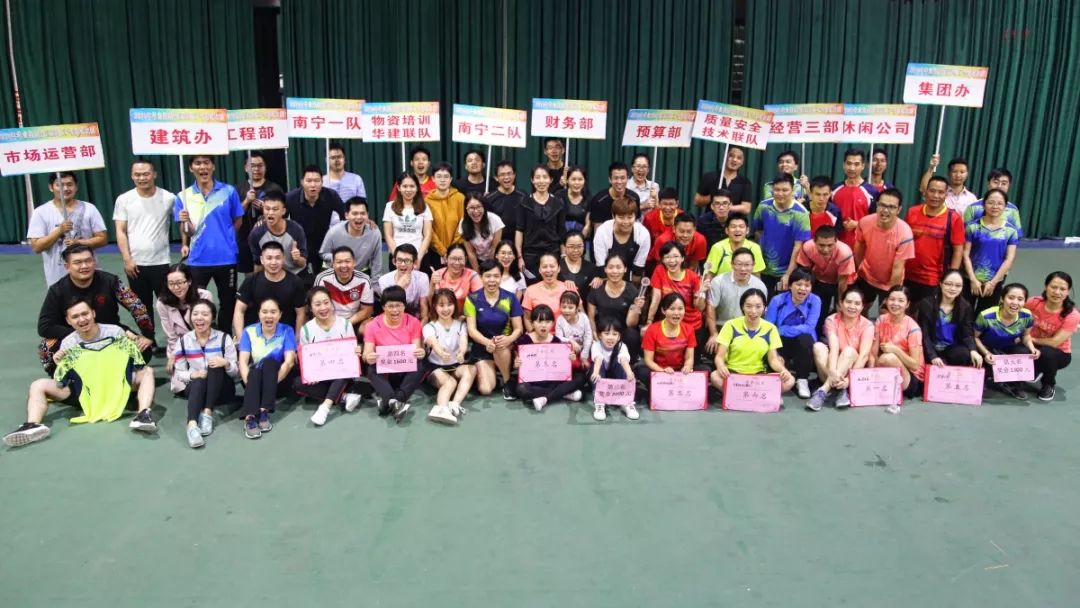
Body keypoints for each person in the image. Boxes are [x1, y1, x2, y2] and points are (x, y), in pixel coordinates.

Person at [4, 298, 158, 448]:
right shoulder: (68, 343)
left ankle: (143, 415)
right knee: (38, 385)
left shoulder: (115, 332)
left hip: (117, 387)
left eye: (85, 314)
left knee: (147, 372)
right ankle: (32, 425)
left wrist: (134, 342)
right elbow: (62, 380)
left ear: (93, 313)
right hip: (84, 392)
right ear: (68, 321)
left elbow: (134, 362)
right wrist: (59, 363)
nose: (82, 319)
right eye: (75, 316)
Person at [37, 245, 154, 374]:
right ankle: (70, 382)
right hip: (75, 337)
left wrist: (148, 335)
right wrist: (82, 333)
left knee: (143, 349)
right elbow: (44, 326)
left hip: (110, 333)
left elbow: (136, 306)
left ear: (94, 261)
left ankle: (122, 377)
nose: (84, 266)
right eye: (78, 262)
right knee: (46, 348)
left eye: (88, 261)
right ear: (67, 266)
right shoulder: (57, 290)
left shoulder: (111, 281)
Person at [175, 155, 244, 330]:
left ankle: (225, 334)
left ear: (213, 166)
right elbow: (188, 231)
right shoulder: (184, 196)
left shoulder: (228, 191)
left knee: (228, 301)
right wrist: (184, 221)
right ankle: (203, 335)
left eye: (206, 163)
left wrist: (225, 237)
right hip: (198, 259)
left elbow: (237, 220)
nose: (202, 167)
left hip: (226, 257)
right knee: (197, 302)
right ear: (191, 168)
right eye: (198, 163)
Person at [114, 160, 176, 333]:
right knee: (141, 307)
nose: (142, 178)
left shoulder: (169, 198)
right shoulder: (124, 199)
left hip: (161, 262)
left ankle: (174, 338)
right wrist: (127, 259)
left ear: (154, 174)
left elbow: (183, 222)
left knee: (168, 304)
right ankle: (149, 339)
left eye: (146, 174)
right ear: (132, 176)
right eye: (138, 174)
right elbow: (120, 231)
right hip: (135, 264)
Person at [171, 299, 238, 449]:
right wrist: (192, 375)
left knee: (214, 364)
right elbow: (179, 373)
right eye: (195, 314)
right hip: (197, 389)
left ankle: (207, 413)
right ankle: (192, 426)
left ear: (212, 318)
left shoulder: (224, 338)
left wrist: (226, 363)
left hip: (221, 389)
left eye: (205, 314)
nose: (199, 318)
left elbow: (235, 372)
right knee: (199, 378)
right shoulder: (183, 341)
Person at [294, 287, 362, 427]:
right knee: (298, 383)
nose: (323, 308)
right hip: (321, 376)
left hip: (343, 375)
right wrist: (310, 374)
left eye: (326, 302)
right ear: (310, 308)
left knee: (345, 369)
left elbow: (351, 354)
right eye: (317, 304)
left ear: (332, 303)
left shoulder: (345, 324)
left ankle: (325, 406)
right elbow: (305, 358)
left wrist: (356, 352)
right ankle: (344, 396)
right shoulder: (306, 329)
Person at [710, 288, 795, 397]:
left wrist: (783, 370)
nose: (753, 311)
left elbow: (773, 359)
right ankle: (756, 396)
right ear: (742, 307)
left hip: (759, 376)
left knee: (790, 380)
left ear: (764, 308)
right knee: (715, 376)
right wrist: (721, 366)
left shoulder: (771, 329)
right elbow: (719, 356)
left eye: (758, 306)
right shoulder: (730, 325)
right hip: (733, 374)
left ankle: (738, 396)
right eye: (749, 306)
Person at [27, 172, 107, 286]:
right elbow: (37, 247)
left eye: (69, 184)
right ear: (51, 187)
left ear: (76, 186)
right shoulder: (40, 212)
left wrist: (79, 243)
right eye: (59, 185)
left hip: (88, 274)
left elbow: (102, 239)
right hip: (57, 278)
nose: (65, 188)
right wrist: (59, 231)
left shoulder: (89, 209)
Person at [363, 285, 427, 421]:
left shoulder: (413, 322)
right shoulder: (372, 325)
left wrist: (420, 352)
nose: (395, 310)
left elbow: (416, 349)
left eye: (398, 305)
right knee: (370, 368)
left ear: (404, 306)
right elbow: (367, 353)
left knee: (420, 364)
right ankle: (396, 402)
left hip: (404, 371)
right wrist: (369, 357)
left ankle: (390, 401)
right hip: (384, 372)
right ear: (383, 307)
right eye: (390, 306)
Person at [237, 297, 297, 439]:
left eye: (273, 312)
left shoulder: (287, 330)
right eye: (264, 312)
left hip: (279, 379)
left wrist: (268, 383)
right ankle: (250, 417)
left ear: (280, 314)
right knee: (255, 371)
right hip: (253, 381)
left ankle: (264, 410)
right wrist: (252, 384)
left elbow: (289, 362)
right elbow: (243, 362)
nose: (268, 316)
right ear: (259, 314)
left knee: (269, 363)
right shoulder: (249, 331)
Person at [807, 287, 875, 410]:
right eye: (848, 302)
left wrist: (849, 380)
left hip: (853, 369)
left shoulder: (868, 325)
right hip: (830, 369)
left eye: (857, 303)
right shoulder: (831, 320)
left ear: (862, 307)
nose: (852, 306)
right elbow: (834, 348)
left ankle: (823, 390)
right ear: (841, 303)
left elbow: (864, 356)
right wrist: (833, 371)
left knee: (849, 351)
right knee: (818, 347)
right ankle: (840, 389)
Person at [465, 260, 525, 399]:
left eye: (496, 276)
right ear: (481, 277)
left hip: (504, 346)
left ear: (501, 277)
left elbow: (519, 329)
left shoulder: (510, 298)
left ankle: (507, 381)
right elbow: (472, 330)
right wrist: (487, 342)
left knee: (499, 343)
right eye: (488, 276)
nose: (492, 280)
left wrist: (509, 339)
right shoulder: (472, 299)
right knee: (485, 389)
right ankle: (494, 375)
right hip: (482, 347)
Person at [903, 176, 965, 305]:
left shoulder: (954, 218)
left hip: (934, 279)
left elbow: (958, 251)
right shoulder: (912, 212)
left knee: (927, 313)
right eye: (932, 191)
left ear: (946, 194)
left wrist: (951, 277)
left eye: (940, 192)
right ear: (925, 192)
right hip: (907, 275)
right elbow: (903, 242)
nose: (935, 195)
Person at [853, 187, 915, 311]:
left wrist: (892, 295)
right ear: (877, 205)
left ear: (899, 210)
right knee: (859, 309)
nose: (885, 210)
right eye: (882, 205)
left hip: (890, 282)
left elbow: (898, 269)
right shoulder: (864, 222)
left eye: (891, 207)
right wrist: (860, 268)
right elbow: (859, 248)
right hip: (866, 276)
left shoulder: (905, 233)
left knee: (886, 313)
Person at [974, 283, 1039, 400]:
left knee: (1023, 352)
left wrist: (1032, 348)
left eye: (1020, 299)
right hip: (987, 349)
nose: (1015, 302)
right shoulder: (986, 315)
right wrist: (986, 353)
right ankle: (986, 378)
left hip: (1008, 349)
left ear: (1025, 302)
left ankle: (1015, 385)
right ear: (1002, 299)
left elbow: (1025, 335)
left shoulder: (1026, 316)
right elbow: (975, 337)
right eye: (1011, 298)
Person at [514, 305, 586, 411]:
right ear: (532, 323)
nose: (543, 325)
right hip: (534, 382)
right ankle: (564, 393)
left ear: (552, 323)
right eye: (539, 321)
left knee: (580, 378)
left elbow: (562, 368)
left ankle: (545, 399)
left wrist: (570, 360)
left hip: (553, 381)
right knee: (521, 389)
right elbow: (518, 365)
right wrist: (517, 364)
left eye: (547, 322)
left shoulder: (556, 341)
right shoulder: (523, 341)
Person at [764, 269, 821, 398]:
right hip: (781, 341)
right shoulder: (777, 300)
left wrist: (783, 329)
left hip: (803, 343)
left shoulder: (815, 301)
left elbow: (809, 327)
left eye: (807, 285)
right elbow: (769, 327)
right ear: (790, 286)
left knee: (805, 338)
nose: (803, 289)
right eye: (798, 284)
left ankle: (802, 379)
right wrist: (779, 332)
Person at [423, 289, 476, 425]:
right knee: (450, 382)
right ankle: (441, 408)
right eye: (441, 305)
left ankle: (455, 404)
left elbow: (463, 341)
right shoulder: (429, 327)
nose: (446, 309)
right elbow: (433, 342)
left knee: (472, 369)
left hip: (455, 366)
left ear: (455, 305)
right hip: (435, 368)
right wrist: (441, 352)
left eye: (449, 304)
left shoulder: (461, 325)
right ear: (434, 306)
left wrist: (461, 353)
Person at [635, 292, 703, 399]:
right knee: (642, 371)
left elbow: (689, 357)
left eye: (680, 309)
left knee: (705, 370)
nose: (677, 313)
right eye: (672, 309)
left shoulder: (689, 329)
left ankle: (671, 390)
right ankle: (664, 390)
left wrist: (687, 367)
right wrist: (662, 371)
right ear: (663, 310)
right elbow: (648, 360)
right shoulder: (652, 329)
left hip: (680, 371)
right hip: (660, 370)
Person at [234, 241, 307, 338]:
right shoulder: (251, 280)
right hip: (255, 336)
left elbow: (300, 313)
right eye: (269, 258)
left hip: (285, 336)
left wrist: (297, 340)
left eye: (278, 258)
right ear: (262, 260)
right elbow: (239, 310)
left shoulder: (295, 282)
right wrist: (241, 338)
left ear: (283, 259)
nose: (273, 262)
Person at [752, 173, 811, 294]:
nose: (780, 193)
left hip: (786, 271)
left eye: (785, 190)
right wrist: (757, 265)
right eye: (777, 190)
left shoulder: (801, 213)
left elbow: (798, 246)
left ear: (793, 190)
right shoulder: (763, 206)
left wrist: (788, 274)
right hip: (762, 269)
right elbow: (758, 232)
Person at [963, 188, 1019, 312]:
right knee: (964, 313)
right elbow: (965, 254)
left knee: (986, 316)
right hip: (970, 279)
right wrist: (972, 279)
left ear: (1005, 207)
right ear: (984, 204)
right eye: (991, 202)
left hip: (994, 281)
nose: (995, 206)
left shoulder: (1011, 230)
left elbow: (1009, 259)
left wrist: (993, 283)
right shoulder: (972, 227)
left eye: (999, 203)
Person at [704, 247, 768, 355]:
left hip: (748, 328)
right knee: (715, 352)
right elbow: (711, 307)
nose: (743, 269)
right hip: (722, 327)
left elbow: (761, 313)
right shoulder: (718, 282)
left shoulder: (760, 286)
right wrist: (713, 334)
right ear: (732, 264)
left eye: (747, 265)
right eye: (739, 264)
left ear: (753, 265)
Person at [915, 269, 982, 369]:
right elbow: (924, 334)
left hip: (951, 348)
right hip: (930, 347)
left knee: (963, 354)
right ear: (941, 284)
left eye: (958, 286)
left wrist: (973, 350)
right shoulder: (927, 304)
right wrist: (932, 356)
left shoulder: (965, 307)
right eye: (948, 284)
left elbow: (967, 333)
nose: (953, 288)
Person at [1027, 271, 1079, 401]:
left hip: (1058, 353)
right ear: (1046, 286)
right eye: (1053, 287)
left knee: (1046, 353)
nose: (1057, 292)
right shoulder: (1034, 302)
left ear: (1068, 291)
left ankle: (1048, 384)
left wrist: (1029, 339)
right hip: (1032, 345)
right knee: (1015, 346)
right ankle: (1019, 377)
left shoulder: (1072, 315)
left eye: (1062, 289)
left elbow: (1055, 342)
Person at [285, 165, 345, 275]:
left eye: (317, 181)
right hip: (300, 246)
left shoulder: (331, 195)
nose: (313, 185)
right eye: (309, 181)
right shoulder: (290, 198)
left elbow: (346, 215)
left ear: (322, 182)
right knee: (302, 279)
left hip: (323, 244)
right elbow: (280, 217)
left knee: (324, 278)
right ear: (302, 182)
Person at [156, 263, 214, 375]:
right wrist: (174, 355)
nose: (176, 288)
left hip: (204, 343)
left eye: (180, 282)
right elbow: (171, 336)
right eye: (171, 284)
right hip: (178, 347)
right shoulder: (162, 303)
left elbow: (206, 330)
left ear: (189, 281)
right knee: (181, 380)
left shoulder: (205, 296)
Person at [647, 242, 706, 349]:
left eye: (675, 256)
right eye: (667, 257)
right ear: (662, 260)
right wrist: (649, 321)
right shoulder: (660, 271)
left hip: (691, 326)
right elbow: (656, 299)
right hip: (668, 324)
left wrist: (702, 293)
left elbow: (699, 307)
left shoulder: (692, 277)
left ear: (682, 258)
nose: (671, 260)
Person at [586, 254, 646, 358]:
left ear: (625, 269)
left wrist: (636, 308)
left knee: (632, 335)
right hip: (602, 333)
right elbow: (590, 317)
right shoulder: (597, 288)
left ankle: (630, 363)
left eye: (619, 267)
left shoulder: (632, 291)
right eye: (610, 267)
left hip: (622, 334)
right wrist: (594, 334)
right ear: (605, 269)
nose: (614, 271)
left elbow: (631, 324)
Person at [870, 285, 925, 397]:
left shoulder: (913, 328)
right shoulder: (881, 319)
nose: (895, 303)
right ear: (886, 301)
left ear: (907, 304)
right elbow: (873, 352)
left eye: (901, 301)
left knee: (888, 358)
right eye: (892, 299)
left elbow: (915, 365)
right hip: (889, 369)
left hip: (911, 377)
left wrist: (896, 350)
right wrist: (872, 373)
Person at [516, 165, 566, 281]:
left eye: (545, 177)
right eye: (537, 177)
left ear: (551, 180)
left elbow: (561, 231)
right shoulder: (524, 202)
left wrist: (563, 255)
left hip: (552, 252)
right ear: (532, 180)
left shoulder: (558, 203)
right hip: (530, 254)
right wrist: (519, 257)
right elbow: (519, 230)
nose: (541, 181)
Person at [235, 151, 282, 274]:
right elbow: (234, 215)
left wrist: (265, 208)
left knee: (272, 273)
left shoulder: (275, 189)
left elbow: (283, 214)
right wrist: (246, 201)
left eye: (260, 165)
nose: (256, 169)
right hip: (245, 241)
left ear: (265, 167)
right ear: (246, 168)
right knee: (250, 278)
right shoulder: (238, 189)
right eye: (252, 166)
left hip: (270, 239)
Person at [796, 226, 855, 322]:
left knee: (841, 312)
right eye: (821, 245)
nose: (826, 249)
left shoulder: (845, 253)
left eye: (830, 245)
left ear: (836, 241)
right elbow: (806, 273)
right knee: (818, 312)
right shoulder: (807, 247)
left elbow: (842, 282)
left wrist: (840, 302)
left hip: (840, 282)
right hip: (820, 280)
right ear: (814, 241)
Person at [320, 196, 383, 281]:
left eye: (363, 213)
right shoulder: (334, 231)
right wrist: (341, 260)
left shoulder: (374, 233)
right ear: (346, 215)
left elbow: (377, 261)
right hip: (334, 274)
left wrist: (375, 283)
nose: (359, 217)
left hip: (359, 273)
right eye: (355, 213)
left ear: (367, 215)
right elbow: (323, 253)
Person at [313, 246, 374, 333]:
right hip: (328, 320)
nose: (343, 265)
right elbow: (316, 305)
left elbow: (366, 310)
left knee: (369, 327)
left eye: (347, 261)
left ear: (354, 263)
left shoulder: (364, 280)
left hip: (354, 320)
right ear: (333, 264)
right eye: (339, 262)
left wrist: (345, 325)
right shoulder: (322, 278)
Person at [248, 190, 308, 277]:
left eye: (275, 209)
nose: (270, 213)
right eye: (267, 209)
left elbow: (303, 263)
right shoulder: (256, 234)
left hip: (296, 274)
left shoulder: (296, 229)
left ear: (283, 211)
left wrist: (297, 258)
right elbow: (258, 264)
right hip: (272, 276)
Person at [588, 317, 638, 421]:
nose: (610, 337)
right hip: (601, 375)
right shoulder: (596, 345)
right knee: (596, 368)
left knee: (621, 365)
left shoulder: (622, 346)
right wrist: (596, 373)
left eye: (614, 334)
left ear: (619, 337)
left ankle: (627, 401)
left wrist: (629, 373)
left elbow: (624, 360)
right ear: (600, 335)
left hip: (615, 375)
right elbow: (598, 359)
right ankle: (600, 402)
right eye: (606, 334)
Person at [592, 197, 651, 282]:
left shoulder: (643, 234)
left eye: (630, 217)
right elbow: (601, 266)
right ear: (613, 216)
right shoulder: (602, 232)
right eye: (621, 217)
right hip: (606, 276)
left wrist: (628, 288)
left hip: (630, 278)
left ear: (635, 216)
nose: (626, 222)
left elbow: (638, 270)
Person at [382, 172, 433, 266]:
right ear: (399, 188)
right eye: (405, 186)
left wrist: (418, 258)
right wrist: (397, 257)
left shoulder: (425, 207)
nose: (408, 190)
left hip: (419, 257)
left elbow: (428, 235)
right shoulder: (389, 207)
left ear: (417, 188)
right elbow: (388, 235)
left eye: (412, 186)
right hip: (396, 257)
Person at [424, 162, 467, 273]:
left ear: (451, 179)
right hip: (435, 252)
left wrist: (452, 250)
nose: (442, 180)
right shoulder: (427, 201)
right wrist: (443, 251)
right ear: (433, 179)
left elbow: (463, 224)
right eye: (439, 176)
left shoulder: (460, 198)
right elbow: (429, 230)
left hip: (457, 250)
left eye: (446, 176)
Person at [832, 149, 877, 249]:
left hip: (862, 246)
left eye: (856, 164)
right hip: (836, 246)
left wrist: (858, 224)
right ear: (843, 165)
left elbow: (876, 220)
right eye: (849, 163)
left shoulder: (872, 192)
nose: (852, 168)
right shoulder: (834, 190)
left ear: (863, 166)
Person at [522, 252, 578, 330]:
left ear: (558, 268)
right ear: (539, 270)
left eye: (552, 266)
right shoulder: (530, 290)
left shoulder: (569, 287)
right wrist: (533, 334)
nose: (548, 270)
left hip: (567, 335)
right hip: (540, 336)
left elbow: (580, 313)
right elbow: (527, 318)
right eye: (544, 267)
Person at [702, 212, 764, 281]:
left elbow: (756, 276)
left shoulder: (754, 248)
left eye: (741, 226)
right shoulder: (717, 247)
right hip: (721, 286)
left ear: (747, 230)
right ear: (727, 230)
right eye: (733, 227)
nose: (737, 230)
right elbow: (709, 274)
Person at [376, 244, 430, 320]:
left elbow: (424, 308)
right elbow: (388, 308)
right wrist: (399, 287)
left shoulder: (422, 277)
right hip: (394, 320)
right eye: (399, 260)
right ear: (394, 261)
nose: (403, 264)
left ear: (414, 263)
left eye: (407, 261)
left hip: (416, 320)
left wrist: (421, 325)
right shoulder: (384, 280)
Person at [694, 146, 753, 215]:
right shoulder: (709, 177)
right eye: (731, 156)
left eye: (739, 158)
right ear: (725, 156)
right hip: (711, 219)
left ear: (742, 162)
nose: (734, 160)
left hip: (733, 221)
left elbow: (746, 208)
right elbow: (697, 201)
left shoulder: (745, 182)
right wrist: (712, 196)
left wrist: (726, 208)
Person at [963, 168, 1023, 235]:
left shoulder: (1013, 209)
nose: (999, 186)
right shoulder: (973, 207)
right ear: (988, 184)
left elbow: (1017, 235)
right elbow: (964, 233)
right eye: (996, 182)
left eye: (1004, 183)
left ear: (1008, 186)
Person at [586, 162, 640, 227]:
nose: (619, 182)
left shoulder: (634, 198)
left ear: (627, 179)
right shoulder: (599, 200)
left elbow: (635, 224)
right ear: (610, 179)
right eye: (616, 178)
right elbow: (598, 229)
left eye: (622, 178)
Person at [431, 243, 483, 311]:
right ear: (446, 258)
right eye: (454, 259)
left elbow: (480, 301)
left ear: (465, 259)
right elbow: (431, 303)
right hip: (443, 315)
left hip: (466, 315)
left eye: (460, 259)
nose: (457, 263)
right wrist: (432, 284)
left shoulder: (472, 276)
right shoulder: (437, 274)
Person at [484, 161, 528, 240]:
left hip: (520, 241)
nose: (506, 177)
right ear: (496, 178)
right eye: (502, 174)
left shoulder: (523, 196)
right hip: (498, 241)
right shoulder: (489, 198)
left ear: (514, 175)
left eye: (509, 173)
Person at [460, 194, 504, 269]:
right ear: (466, 209)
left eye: (479, 207)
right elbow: (471, 253)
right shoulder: (463, 223)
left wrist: (488, 269)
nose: (475, 211)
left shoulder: (495, 220)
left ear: (484, 207)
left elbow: (495, 249)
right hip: (476, 260)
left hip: (494, 258)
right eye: (471, 208)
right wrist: (478, 273)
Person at [556, 291, 593, 373]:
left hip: (585, 350)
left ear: (576, 308)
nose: (566, 310)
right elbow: (558, 338)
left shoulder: (583, 318)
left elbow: (588, 336)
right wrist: (571, 341)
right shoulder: (560, 320)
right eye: (564, 307)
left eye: (570, 307)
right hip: (569, 352)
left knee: (588, 367)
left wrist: (584, 355)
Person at [559, 231, 597, 298]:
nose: (575, 250)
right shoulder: (557, 266)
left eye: (579, 246)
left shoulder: (591, 267)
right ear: (564, 247)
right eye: (571, 247)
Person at [806, 175, 843, 241]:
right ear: (810, 193)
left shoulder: (835, 212)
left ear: (830, 194)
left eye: (825, 194)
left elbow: (836, 237)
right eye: (817, 194)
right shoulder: (801, 210)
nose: (821, 199)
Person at [556, 166, 590, 236]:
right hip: (561, 237)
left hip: (581, 237)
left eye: (580, 179)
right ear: (567, 180)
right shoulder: (559, 195)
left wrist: (580, 239)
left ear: (584, 181)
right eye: (573, 179)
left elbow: (587, 226)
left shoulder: (588, 197)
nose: (577, 183)